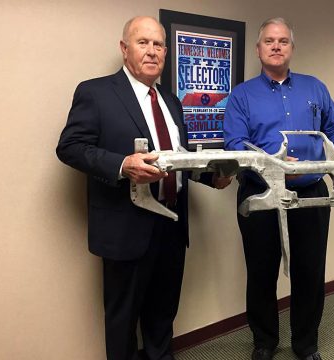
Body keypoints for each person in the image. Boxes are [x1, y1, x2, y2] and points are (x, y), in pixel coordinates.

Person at [56, 16, 227, 360]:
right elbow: (70, 147)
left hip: (172, 226)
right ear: (124, 48)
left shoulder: (172, 101)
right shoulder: (96, 92)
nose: (152, 51)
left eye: (158, 44)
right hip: (126, 228)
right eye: (143, 43)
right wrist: (122, 165)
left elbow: (178, 157)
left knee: (163, 316)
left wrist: (214, 176)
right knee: (122, 323)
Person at [223, 17, 334, 360]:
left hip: (312, 193)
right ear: (258, 49)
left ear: (291, 48)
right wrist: (275, 166)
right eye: (269, 41)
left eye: (283, 41)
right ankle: (264, 343)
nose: (276, 46)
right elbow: (235, 145)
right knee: (261, 272)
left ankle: (306, 345)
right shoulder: (242, 95)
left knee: (310, 269)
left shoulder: (315, 87)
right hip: (261, 194)